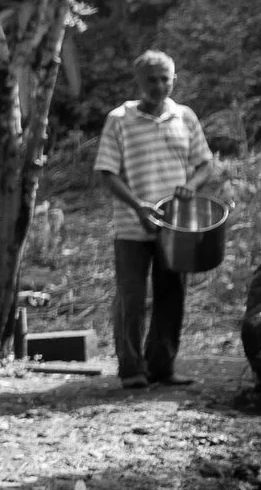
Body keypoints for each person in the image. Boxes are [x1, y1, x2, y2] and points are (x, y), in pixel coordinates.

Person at [94, 49, 220, 389]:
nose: (159, 85)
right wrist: (138, 206)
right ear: (138, 82)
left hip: (176, 228)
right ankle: (132, 369)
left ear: (174, 80)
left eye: (165, 79)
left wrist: (190, 186)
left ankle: (162, 367)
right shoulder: (119, 119)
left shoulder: (185, 117)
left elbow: (205, 163)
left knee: (171, 297)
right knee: (131, 299)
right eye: (152, 79)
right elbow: (106, 173)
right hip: (132, 226)